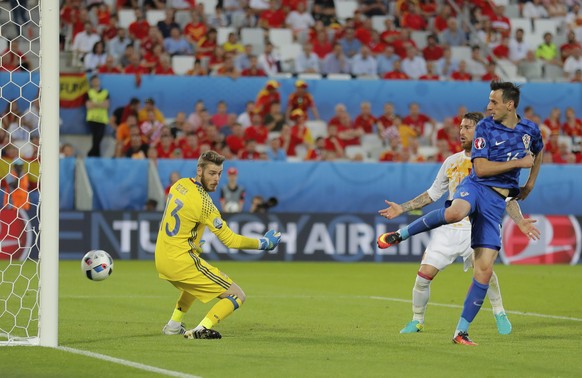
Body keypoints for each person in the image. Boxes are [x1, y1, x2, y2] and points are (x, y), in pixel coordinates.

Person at [377, 81, 544, 345]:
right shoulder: (473, 143)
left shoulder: (528, 130)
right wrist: (403, 208)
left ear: (510, 105)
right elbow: (468, 177)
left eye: (493, 102)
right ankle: (404, 241)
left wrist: (530, 187)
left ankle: (469, 328)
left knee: (486, 271)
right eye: (462, 128)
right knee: (452, 218)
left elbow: (536, 153)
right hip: (468, 200)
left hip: (489, 208)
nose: (489, 107)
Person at [155, 151, 281, 339]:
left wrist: (194, 241)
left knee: (193, 287)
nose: (216, 179)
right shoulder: (206, 204)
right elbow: (231, 240)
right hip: (180, 261)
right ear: (200, 170)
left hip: (162, 258)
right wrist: (263, 243)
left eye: (219, 174)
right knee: (238, 295)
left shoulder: (178, 185)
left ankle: (173, 325)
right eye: (212, 173)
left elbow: (177, 220)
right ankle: (202, 328)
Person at [85, 75, 109, 157]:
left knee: (99, 138)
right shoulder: (89, 92)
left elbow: (106, 105)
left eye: (97, 80)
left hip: (102, 119)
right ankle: (96, 155)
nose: (96, 82)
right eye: (94, 80)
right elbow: (88, 106)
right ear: (91, 82)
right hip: (92, 118)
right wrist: (100, 103)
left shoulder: (105, 92)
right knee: (95, 138)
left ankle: (91, 154)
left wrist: (94, 103)